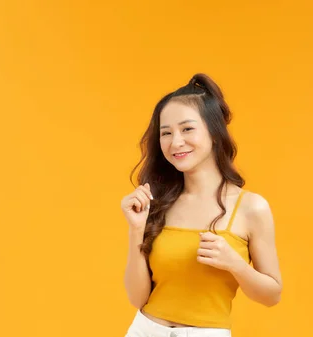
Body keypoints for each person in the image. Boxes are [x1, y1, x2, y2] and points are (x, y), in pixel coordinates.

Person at [120, 73, 283, 337]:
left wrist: (236, 264)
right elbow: (138, 299)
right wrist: (136, 230)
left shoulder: (251, 208)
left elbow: (272, 295)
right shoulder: (158, 202)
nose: (176, 142)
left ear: (214, 133)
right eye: (166, 133)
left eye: (187, 129)